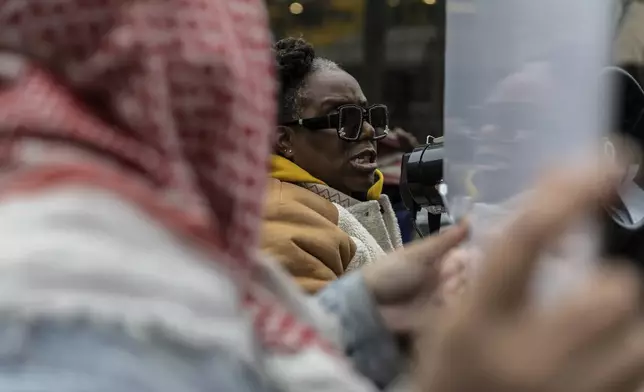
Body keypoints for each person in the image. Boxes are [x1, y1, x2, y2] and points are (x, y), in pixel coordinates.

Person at [1, 2, 644, 392]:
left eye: (367, 116)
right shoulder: (77, 290)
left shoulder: (109, 244)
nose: (364, 133)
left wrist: (365, 310)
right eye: (340, 119)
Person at [262, 37, 403, 293]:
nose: (369, 130)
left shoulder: (344, 202)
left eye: (367, 115)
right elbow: (317, 329)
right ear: (284, 140)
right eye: (343, 118)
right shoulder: (281, 216)